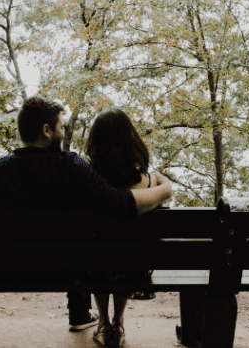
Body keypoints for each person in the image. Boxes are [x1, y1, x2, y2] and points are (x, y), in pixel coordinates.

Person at [0, 96, 172, 333]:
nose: (63, 133)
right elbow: (122, 204)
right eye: (61, 127)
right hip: (64, 271)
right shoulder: (70, 168)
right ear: (46, 131)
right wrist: (164, 189)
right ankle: (80, 313)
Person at [83, 108, 161, 347]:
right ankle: (118, 321)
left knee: (97, 257)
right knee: (126, 256)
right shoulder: (148, 182)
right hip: (134, 268)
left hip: (93, 266)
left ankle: (103, 324)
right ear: (131, 141)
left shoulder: (88, 181)